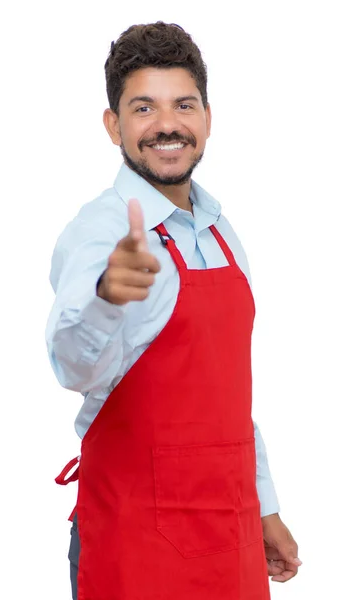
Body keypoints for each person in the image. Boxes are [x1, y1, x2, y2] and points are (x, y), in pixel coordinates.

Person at [47, 21, 301, 600]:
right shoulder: (100, 233)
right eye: (143, 107)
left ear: (207, 119)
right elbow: (72, 369)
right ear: (114, 125)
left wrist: (264, 507)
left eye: (183, 104)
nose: (166, 124)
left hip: (229, 533)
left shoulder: (221, 232)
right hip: (133, 538)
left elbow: (229, 395)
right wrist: (106, 297)